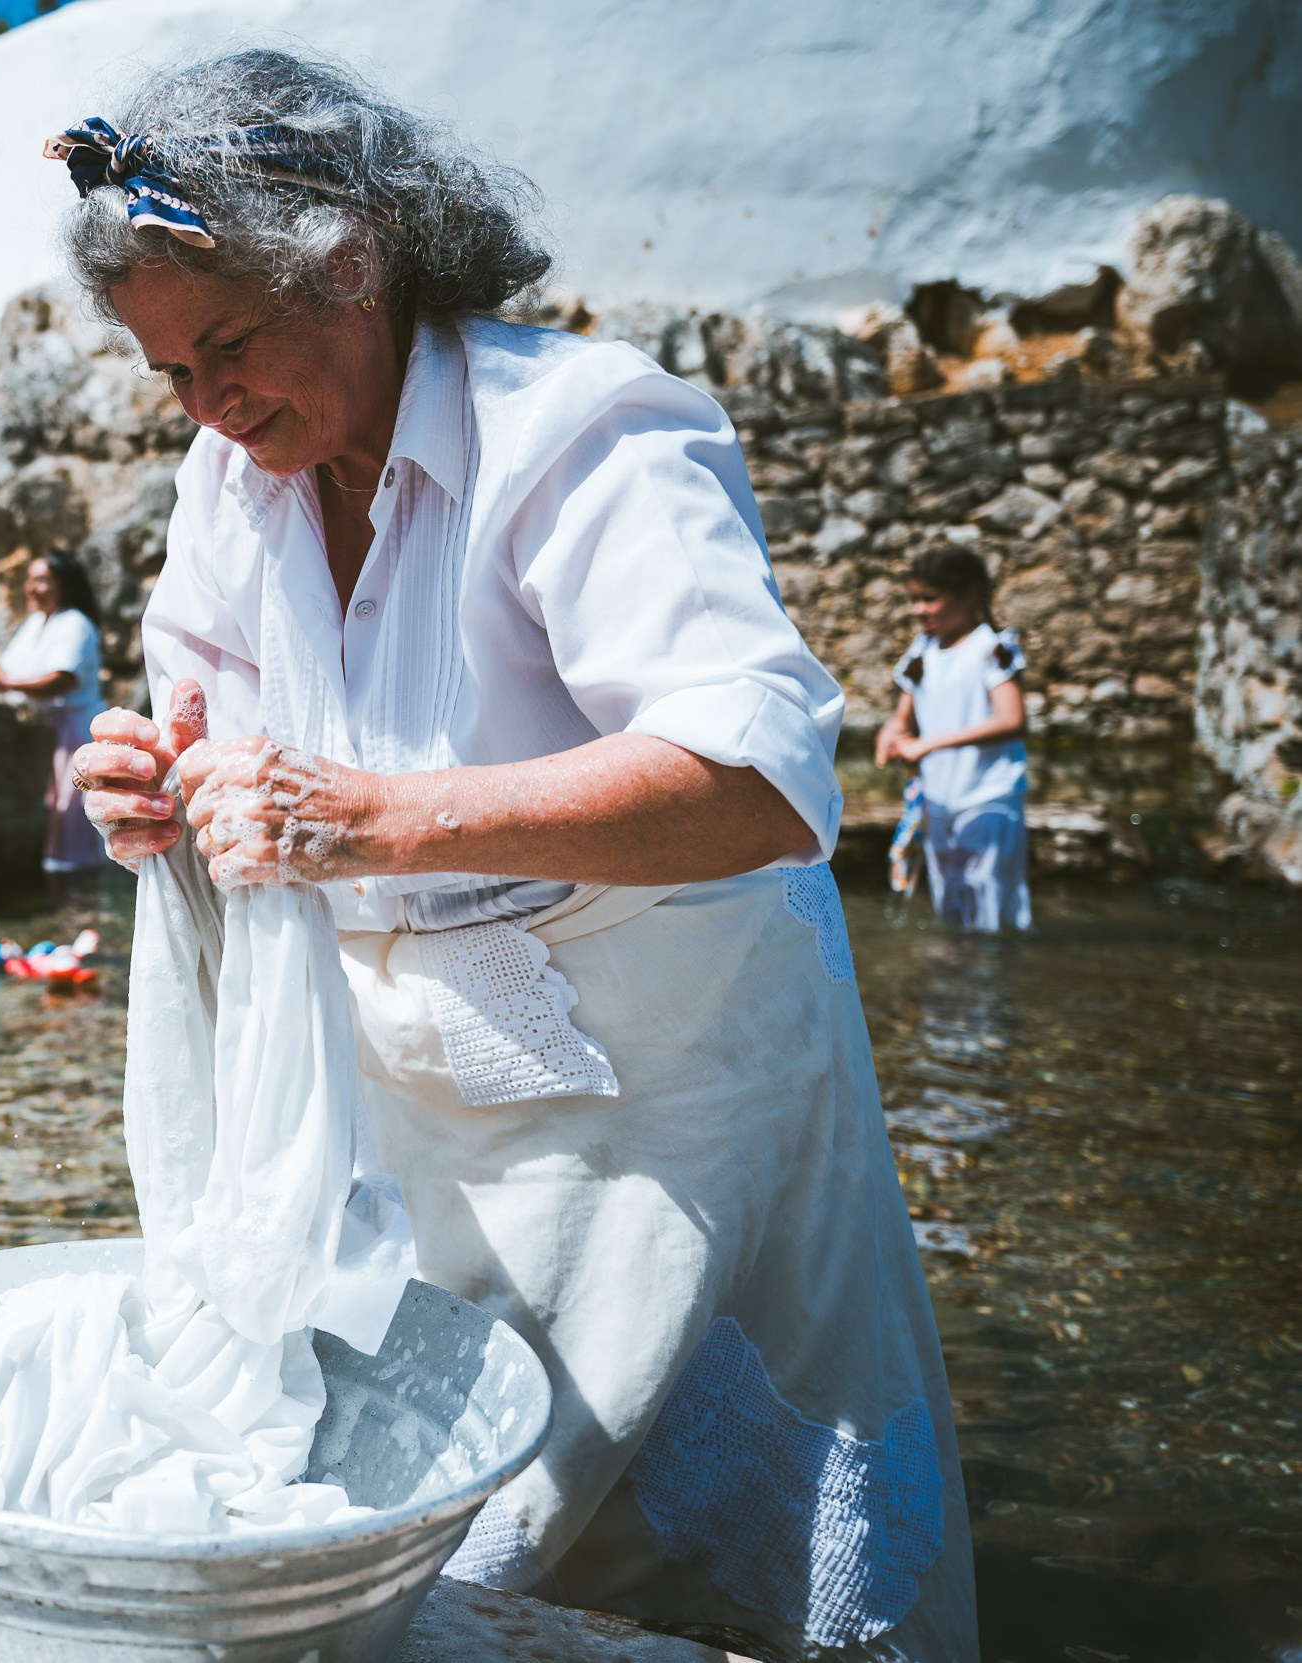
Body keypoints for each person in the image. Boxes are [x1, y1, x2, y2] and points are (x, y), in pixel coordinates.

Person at [60, 50, 975, 1663]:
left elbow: (762, 776)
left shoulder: (576, 432)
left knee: (729, 1559)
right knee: (442, 1544)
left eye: (230, 348)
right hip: (418, 1124)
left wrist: (367, 821)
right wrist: (151, 792)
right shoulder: (233, 487)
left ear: (348, 261)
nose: (206, 407)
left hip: (672, 1122)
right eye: (169, 374)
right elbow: (212, 736)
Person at [873, 548, 1030, 931]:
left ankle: (991, 982)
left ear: (970, 596)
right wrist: (889, 738)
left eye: (930, 598)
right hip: (940, 801)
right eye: (914, 599)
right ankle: (958, 985)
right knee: (951, 906)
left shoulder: (992, 648)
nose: (918, 610)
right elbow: (901, 717)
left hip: (988, 798)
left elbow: (1012, 718)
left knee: (988, 903)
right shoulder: (921, 652)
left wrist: (930, 743)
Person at [0, 552, 109, 899]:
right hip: (50, 733)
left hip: (78, 731)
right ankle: (65, 898)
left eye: (42, 579)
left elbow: (60, 681)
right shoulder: (37, 624)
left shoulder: (75, 624)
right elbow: (9, 670)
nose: (32, 588)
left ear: (65, 585)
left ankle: (84, 899)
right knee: (59, 815)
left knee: (76, 815)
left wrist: (6, 685)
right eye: (30, 579)